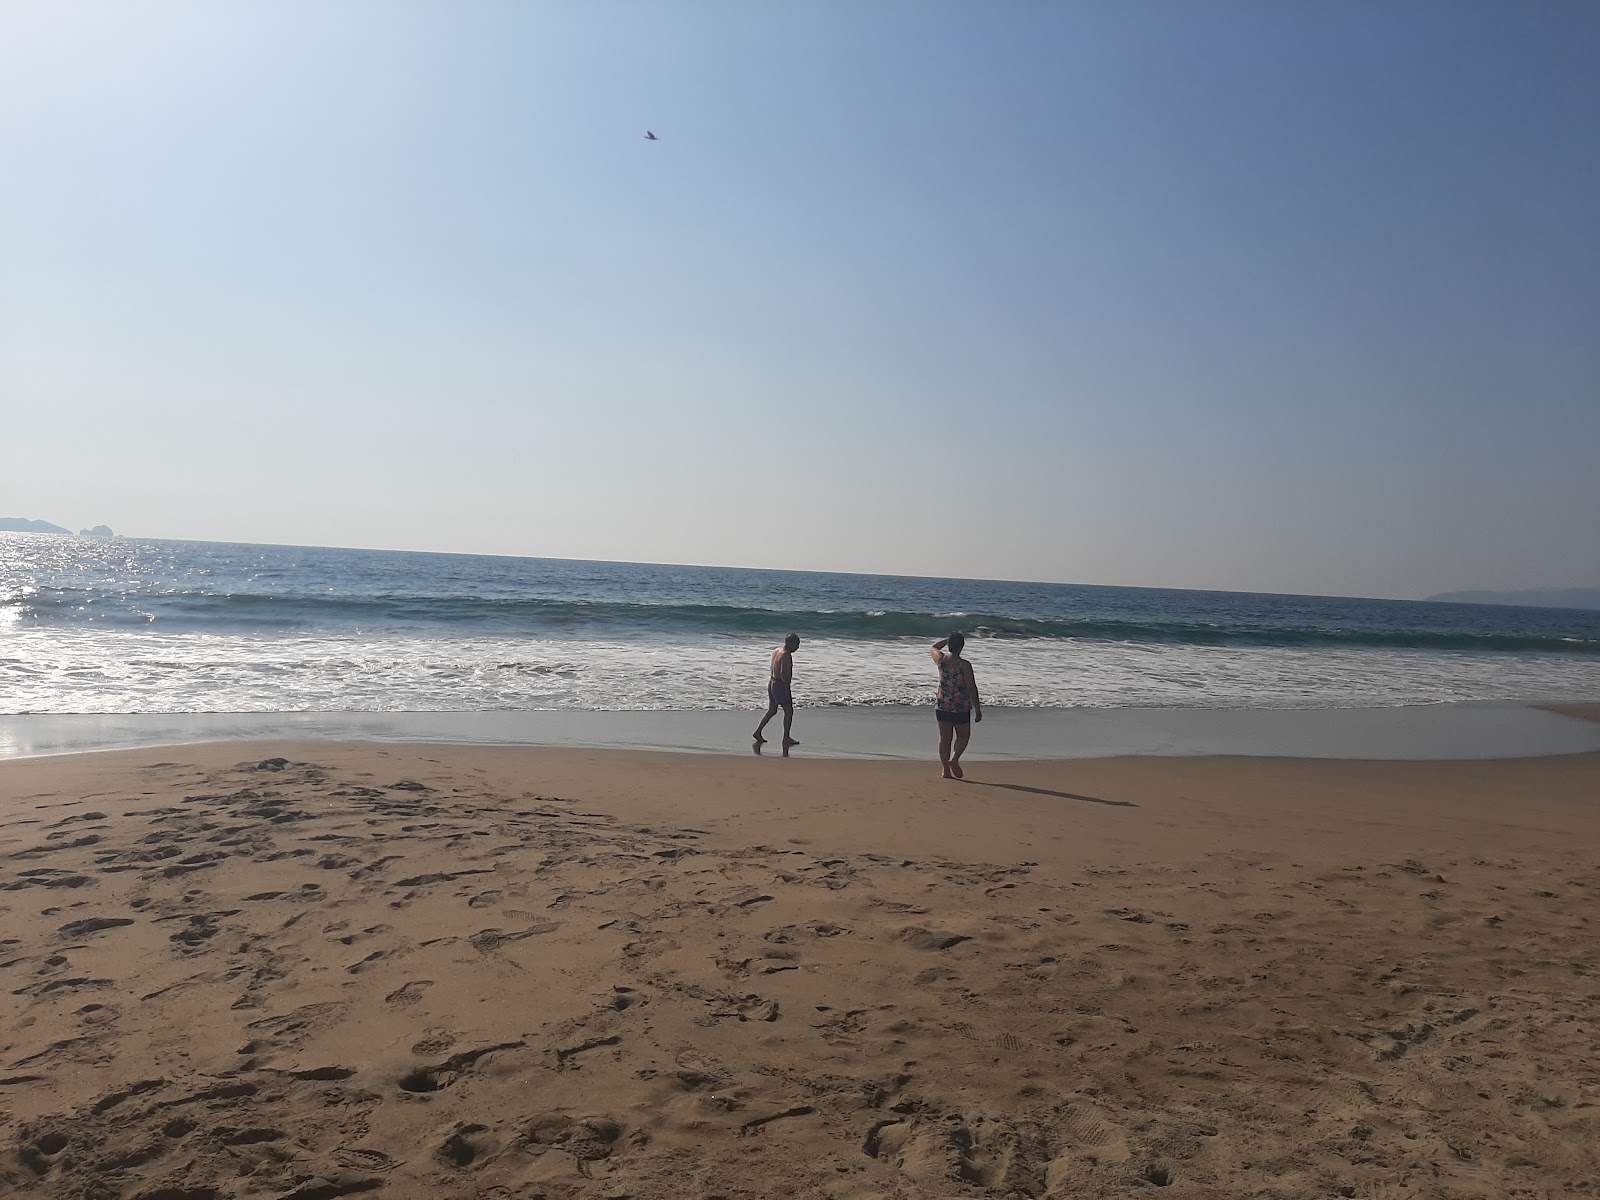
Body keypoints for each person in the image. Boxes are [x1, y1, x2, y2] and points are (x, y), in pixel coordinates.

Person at [931, 633, 981, 779]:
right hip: (961, 706)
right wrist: (977, 709)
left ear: (949, 645)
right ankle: (954, 759)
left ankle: (945, 770)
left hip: (942, 704)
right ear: (962, 647)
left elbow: (933, 647)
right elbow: (972, 688)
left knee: (944, 739)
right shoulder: (964, 665)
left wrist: (946, 640)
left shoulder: (941, 660)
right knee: (963, 736)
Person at [753, 634, 801, 746]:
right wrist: (786, 687)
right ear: (790, 643)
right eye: (796, 644)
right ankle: (786, 737)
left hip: (772, 682)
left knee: (772, 710)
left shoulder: (777, 650)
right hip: (780, 685)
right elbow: (783, 673)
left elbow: (772, 668)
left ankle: (758, 731)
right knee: (788, 711)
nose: (798, 647)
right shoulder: (786, 655)